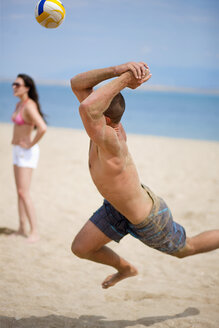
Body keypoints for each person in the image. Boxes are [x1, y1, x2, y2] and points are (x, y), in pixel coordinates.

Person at [70, 61, 219, 289]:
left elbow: (86, 108)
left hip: (148, 218)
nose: (89, 110)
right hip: (116, 208)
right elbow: (77, 84)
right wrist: (118, 70)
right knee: (81, 248)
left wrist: (126, 81)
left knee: (187, 248)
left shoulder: (110, 140)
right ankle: (126, 269)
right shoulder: (101, 125)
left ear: (105, 119)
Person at [11, 74, 47, 243]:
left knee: (24, 193)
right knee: (19, 192)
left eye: (17, 84)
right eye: (13, 84)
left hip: (27, 152)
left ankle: (35, 232)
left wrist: (31, 143)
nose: (14, 87)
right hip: (17, 150)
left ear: (27, 88)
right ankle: (21, 228)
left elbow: (42, 128)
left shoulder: (30, 106)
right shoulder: (20, 104)